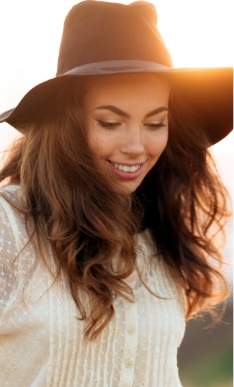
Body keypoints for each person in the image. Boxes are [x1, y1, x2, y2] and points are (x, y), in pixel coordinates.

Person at [0, 1, 232, 386]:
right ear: (64, 126)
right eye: (111, 122)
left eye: (155, 123)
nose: (136, 146)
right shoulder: (9, 230)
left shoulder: (161, 236)